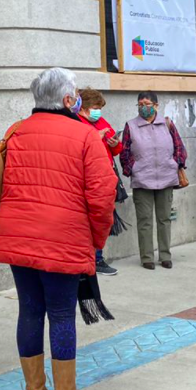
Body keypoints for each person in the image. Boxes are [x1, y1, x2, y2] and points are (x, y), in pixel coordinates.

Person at [0, 68, 115, 390]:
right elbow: (103, 195)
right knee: (61, 316)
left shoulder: (15, 132)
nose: (79, 98)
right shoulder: (85, 135)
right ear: (66, 100)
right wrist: (97, 238)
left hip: (18, 237)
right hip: (62, 239)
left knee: (30, 312)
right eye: (75, 93)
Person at [120, 91, 187, 270]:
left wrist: (175, 164)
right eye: (140, 103)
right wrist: (132, 169)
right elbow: (124, 152)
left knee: (164, 219)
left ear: (156, 105)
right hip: (142, 180)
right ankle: (147, 258)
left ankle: (165, 255)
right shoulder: (131, 126)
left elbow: (179, 147)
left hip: (166, 178)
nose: (144, 107)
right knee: (145, 220)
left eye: (147, 103)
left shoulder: (167, 124)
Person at [77, 88, 121, 276]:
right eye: (95, 107)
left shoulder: (101, 121)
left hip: (105, 176)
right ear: (84, 108)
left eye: (99, 108)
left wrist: (114, 144)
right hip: (89, 179)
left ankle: (98, 258)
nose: (98, 111)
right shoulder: (77, 123)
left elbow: (117, 149)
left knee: (101, 219)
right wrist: (97, 137)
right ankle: (93, 260)